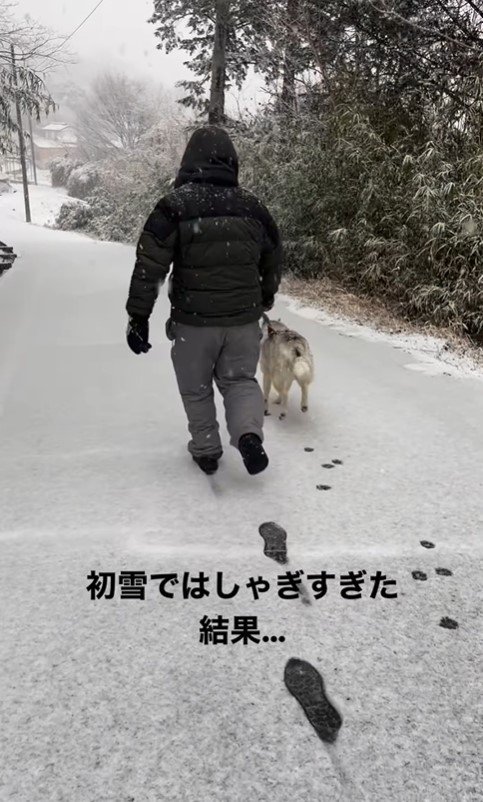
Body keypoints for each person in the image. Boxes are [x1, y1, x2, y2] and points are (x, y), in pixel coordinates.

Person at [125, 125, 282, 476]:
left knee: (195, 389)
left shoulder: (174, 207)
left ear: (188, 160)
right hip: (242, 321)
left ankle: (207, 450)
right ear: (232, 162)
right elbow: (272, 258)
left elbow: (150, 265)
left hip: (193, 323)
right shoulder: (254, 208)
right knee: (240, 381)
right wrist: (264, 297)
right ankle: (248, 436)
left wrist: (139, 315)